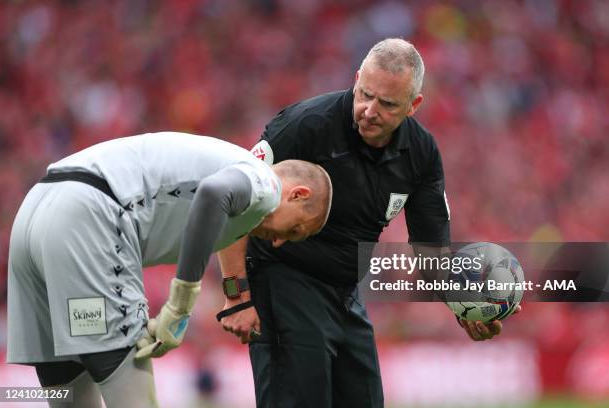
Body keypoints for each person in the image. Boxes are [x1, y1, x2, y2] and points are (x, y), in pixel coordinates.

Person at [218, 38, 514, 407]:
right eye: (365, 94)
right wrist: (236, 297)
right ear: (357, 79)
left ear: (413, 105)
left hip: (344, 293)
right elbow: (233, 201)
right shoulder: (304, 125)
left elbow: (430, 251)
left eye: (387, 104)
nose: (370, 110)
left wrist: (463, 304)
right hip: (282, 281)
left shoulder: (420, 154)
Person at [6, 131, 332, 408]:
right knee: (132, 387)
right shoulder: (266, 181)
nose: (279, 242)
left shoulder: (239, 186)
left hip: (37, 209)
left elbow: (213, 205)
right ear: (298, 194)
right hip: (91, 215)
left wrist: (231, 294)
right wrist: (180, 304)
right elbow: (213, 193)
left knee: (66, 386)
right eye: (295, 231)